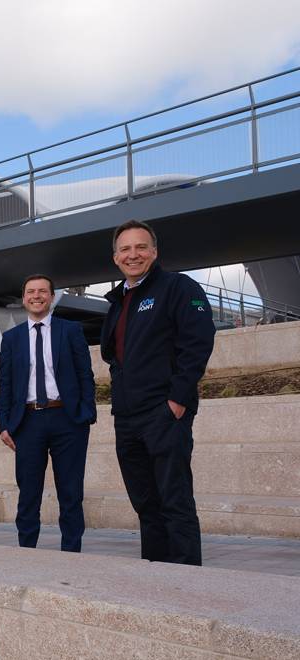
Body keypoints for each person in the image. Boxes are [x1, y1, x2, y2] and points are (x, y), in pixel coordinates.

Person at [102, 220, 215, 566]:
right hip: (128, 418)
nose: (132, 254)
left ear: (154, 251)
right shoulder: (118, 301)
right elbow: (115, 357)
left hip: (164, 413)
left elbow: (197, 345)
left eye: (140, 247)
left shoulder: (178, 288)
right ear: (116, 257)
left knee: (174, 501)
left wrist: (177, 401)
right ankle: (157, 577)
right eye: (125, 249)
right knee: (146, 505)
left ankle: (186, 580)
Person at [0, 276, 96, 552]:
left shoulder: (71, 330)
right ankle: (27, 552)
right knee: (29, 494)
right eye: (30, 291)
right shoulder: (11, 339)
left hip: (68, 419)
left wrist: (87, 413)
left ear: (51, 297)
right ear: (24, 297)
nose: (36, 296)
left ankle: (72, 553)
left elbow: (85, 375)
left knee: (71, 492)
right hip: (27, 422)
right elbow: (5, 384)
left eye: (42, 291)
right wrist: (4, 424)